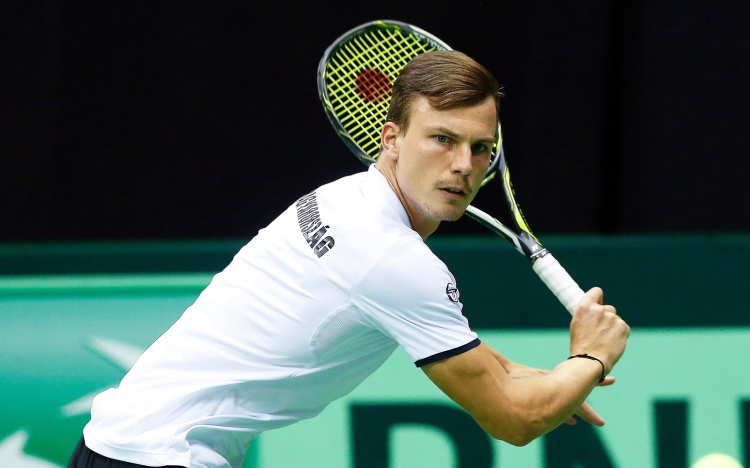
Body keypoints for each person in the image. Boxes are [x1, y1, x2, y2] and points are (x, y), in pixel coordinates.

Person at [68, 50, 630, 468]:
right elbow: (515, 420)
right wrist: (590, 356)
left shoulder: (344, 199)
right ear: (391, 139)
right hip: (162, 457)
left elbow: (447, 339)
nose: (464, 164)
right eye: (442, 139)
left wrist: (545, 379)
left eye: (480, 148)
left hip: (115, 444)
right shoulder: (393, 261)